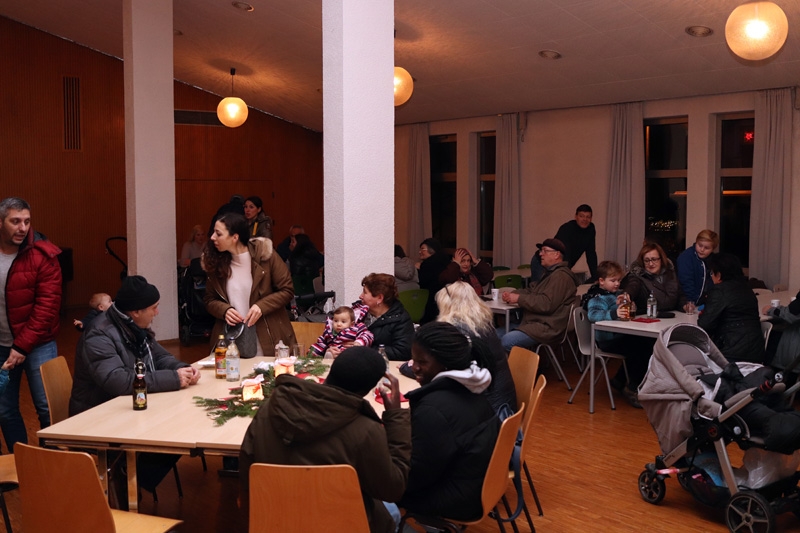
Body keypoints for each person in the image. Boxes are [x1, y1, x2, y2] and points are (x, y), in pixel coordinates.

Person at [239, 346, 411, 533]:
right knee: (392, 511)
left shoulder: (269, 409)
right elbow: (393, 489)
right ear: (367, 389)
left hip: (274, 520)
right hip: (342, 525)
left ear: (331, 371)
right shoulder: (366, 430)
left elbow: (246, 467)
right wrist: (395, 417)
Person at [69, 275, 201, 496]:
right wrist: (173, 378)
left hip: (132, 407)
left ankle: (134, 475)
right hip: (100, 416)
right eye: (154, 308)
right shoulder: (98, 334)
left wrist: (184, 369)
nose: (157, 313)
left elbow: (160, 357)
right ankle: (127, 473)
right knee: (175, 429)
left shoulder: (132, 326)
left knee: (183, 423)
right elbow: (118, 380)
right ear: (136, 312)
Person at [399, 321, 500, 521]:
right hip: (478, 485)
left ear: (445, 363)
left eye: (422, 362)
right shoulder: (471, 386)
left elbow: (414, 477)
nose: (415, 368)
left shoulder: (434, 409)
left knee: (368, 485)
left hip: (456, 499)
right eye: (413, 360)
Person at [0, 197, 62, 452]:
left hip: (38, 344)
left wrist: (21, 347)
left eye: (26, 221)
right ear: (1, 222)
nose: (22, 228)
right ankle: (22, 463)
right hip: (2, 345)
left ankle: (54, 464)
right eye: (15, 221)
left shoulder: (43, 254)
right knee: (5, 410)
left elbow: (47, 306)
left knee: (48, 408)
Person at [203, 213, 296, 357]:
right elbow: (209, 299)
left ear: (235, 237)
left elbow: (287, 290)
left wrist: (261, 306)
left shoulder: (265, 255)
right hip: (230, 342)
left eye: (218, 234)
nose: (212, 237)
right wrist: (224, 310)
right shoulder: (215, 262)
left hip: (268, 339)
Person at [436, 281, 516, 416]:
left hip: (489, 415)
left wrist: (408, 367)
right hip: (504, 406)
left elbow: (439, 369)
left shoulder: (459, 331)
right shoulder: (483, 325)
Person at [581, 260, 649, 408]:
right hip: (606, 340)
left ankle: (619, 380)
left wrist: (631, 307)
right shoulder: (597, 297)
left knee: (646, 342)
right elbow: (593, 315)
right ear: (601, 281)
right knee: (642, 349)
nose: (617, 284)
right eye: (613, 280)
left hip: (619, 336)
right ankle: (631, 388)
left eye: (619, 280)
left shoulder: (617, 294)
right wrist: (614, 313)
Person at [501, 238, 579, 352]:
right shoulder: (550, 273)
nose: (540, 254)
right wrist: (512, 294)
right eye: (541, 251)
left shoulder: (560, 277)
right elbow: (532, 290)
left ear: (556, 254)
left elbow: (546, 304)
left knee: (507, 341)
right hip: (536, 323)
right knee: (491, 335)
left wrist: (518, 298)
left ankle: (524, 363)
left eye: (545, 251)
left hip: (547, 327)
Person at [698, 253, 765, 364]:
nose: (711, 277)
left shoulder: (719, 291)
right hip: (757, 353)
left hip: (731, 354)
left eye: (712, 273)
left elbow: (704, 325)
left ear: (719, 275)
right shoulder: (747, 288)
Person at [350, 273, 414, 361]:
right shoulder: (356, 312)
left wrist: (363, 349)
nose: (360, 296)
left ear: (379, 298)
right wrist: (333, 348)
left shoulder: (400, 319)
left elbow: (402, 352)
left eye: (365, 292)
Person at [531, 204, 597, 283]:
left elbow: (591, 254)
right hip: (542, 261)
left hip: (560, 265)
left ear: (591, 218)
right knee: (540, 287)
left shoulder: (590, 229)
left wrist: (595, 277)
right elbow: (565, 254)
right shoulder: (567, 228)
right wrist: (566, 275)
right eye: (581, 216)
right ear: (576, 217)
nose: (585, 219)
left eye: (588, 217)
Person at [622, 242, 688, 314]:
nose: (650, 264)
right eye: (647, 260)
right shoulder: (638, 276)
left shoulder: (670, 274)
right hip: (648, 317)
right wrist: (627, 295)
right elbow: (632, 286)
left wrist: (684, 306)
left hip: (673, 316)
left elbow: (680, 295)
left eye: (654, 259)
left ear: (661, 260)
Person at [310, 306, 374, 357]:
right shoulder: (328, 333)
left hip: (350, 358)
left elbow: (368, 335)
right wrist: (312, 353)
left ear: (351, 324)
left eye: (343, 322)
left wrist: (359, 343)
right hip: (333, 359)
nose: (338, 324)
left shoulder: (355, 329)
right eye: (336, 321)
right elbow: (320, 344)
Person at [677, 229, 719, 305]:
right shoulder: (686, 257)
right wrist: (690, 301)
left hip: (705, 302)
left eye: (706, 248)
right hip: (687, 302)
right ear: (696, 242)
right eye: (700, 245)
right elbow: (686, 282)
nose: (702, 249)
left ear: (713, 249)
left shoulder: (714, 260)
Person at [417, 238, 451, 323]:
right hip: (445, 298)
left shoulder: (427, 265)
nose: (420, 252)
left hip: (431, 300)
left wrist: (418, 270)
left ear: (432, 250)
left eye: (423, 249)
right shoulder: (446, 261)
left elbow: (423, 283)